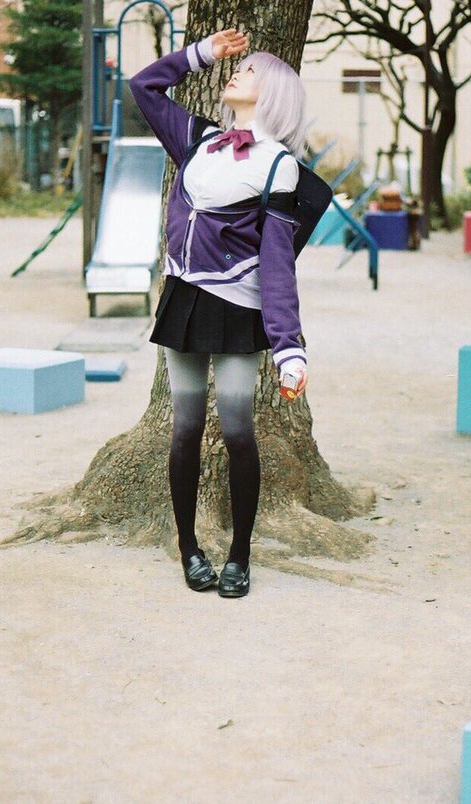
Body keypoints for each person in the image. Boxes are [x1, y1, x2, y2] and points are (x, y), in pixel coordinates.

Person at [130, 29, 309, 598]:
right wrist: (202, 54)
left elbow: (278, 263)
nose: (237, 73)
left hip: (238, 305)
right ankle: (188, 548)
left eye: (249, 70)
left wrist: (289, 348)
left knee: (237, 431)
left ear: (273, 92)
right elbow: (144, 86)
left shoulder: (280, 166)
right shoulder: (199, 139)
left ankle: (240, 556)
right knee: (184, 430)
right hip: (184, 300)